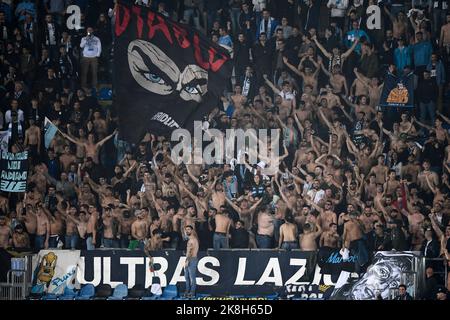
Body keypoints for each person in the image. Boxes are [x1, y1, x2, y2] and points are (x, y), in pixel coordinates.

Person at [183, 225, 199, 298]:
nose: (187, 231)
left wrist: (187, 261)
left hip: (191, 259)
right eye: (186, 229)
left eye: (189, 229)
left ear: (192, 230)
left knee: (192, 277)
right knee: (187, 276)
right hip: (190, 259)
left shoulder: (192, 240)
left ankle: (192, 293)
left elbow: (190, 252)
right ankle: (187, 291)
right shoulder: (192, 239)